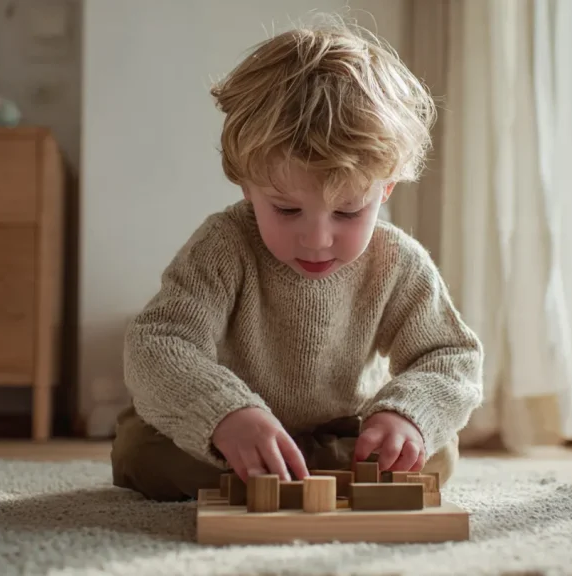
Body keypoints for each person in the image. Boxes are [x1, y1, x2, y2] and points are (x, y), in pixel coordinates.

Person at [111, 16, 484, 502]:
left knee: (436, 453)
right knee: (140, 450)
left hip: (338, 429)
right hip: (226, 428)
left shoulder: (398, 262)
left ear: (385, 189)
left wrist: (405, 414)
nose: (317, 239)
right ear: (246, 185)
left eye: (348, 211)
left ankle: (284, 476)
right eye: (287, 209)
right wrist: (226, 414)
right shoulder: (224, 245)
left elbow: (449, 355)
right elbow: (158, 343)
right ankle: (276, 468)